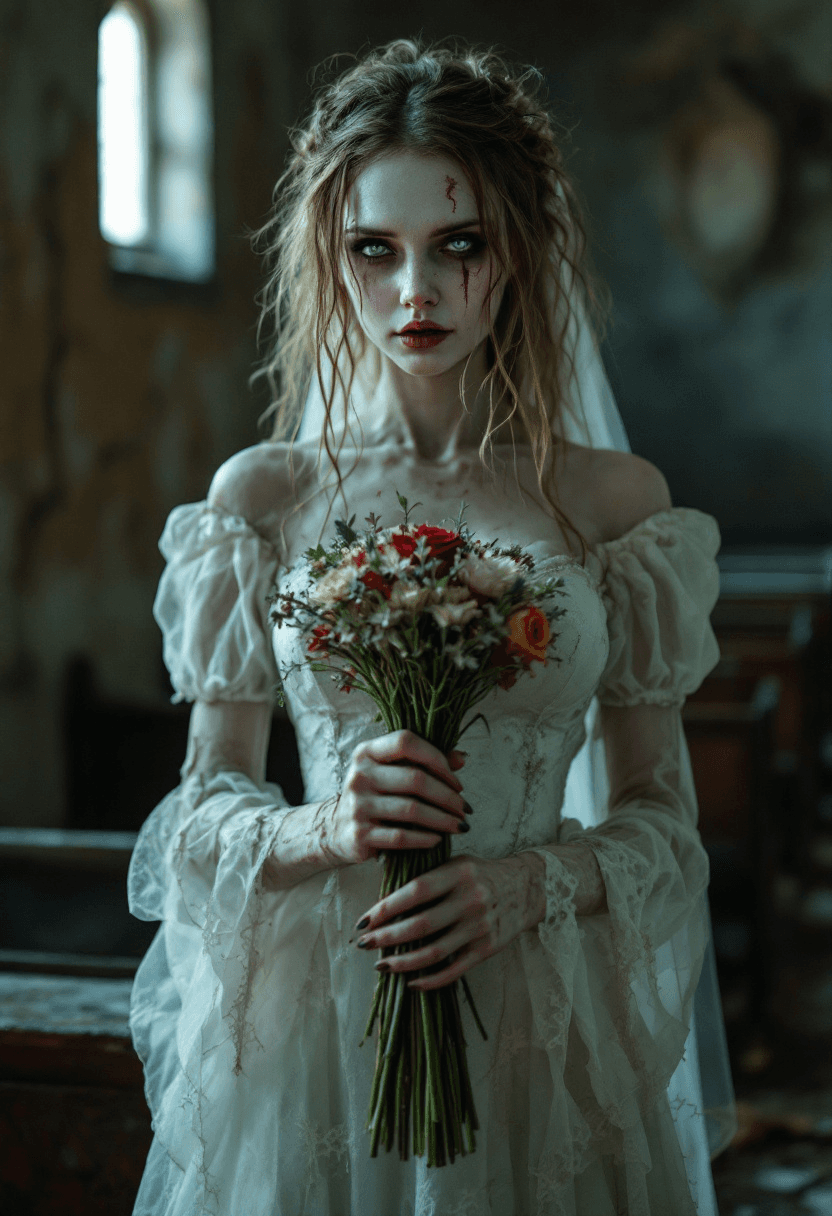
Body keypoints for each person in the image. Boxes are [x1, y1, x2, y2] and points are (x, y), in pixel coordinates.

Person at [128, 38, 736, 1216]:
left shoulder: (613, 509)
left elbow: (668, 825)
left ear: (515, 254)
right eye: (376, 249)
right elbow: (197, 820)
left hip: (535, 1018)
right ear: (331, 257)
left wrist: (522, 887)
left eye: (459, 245)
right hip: (320, 1031)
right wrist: (323, 823)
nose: (416, 292)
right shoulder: (265, 499)